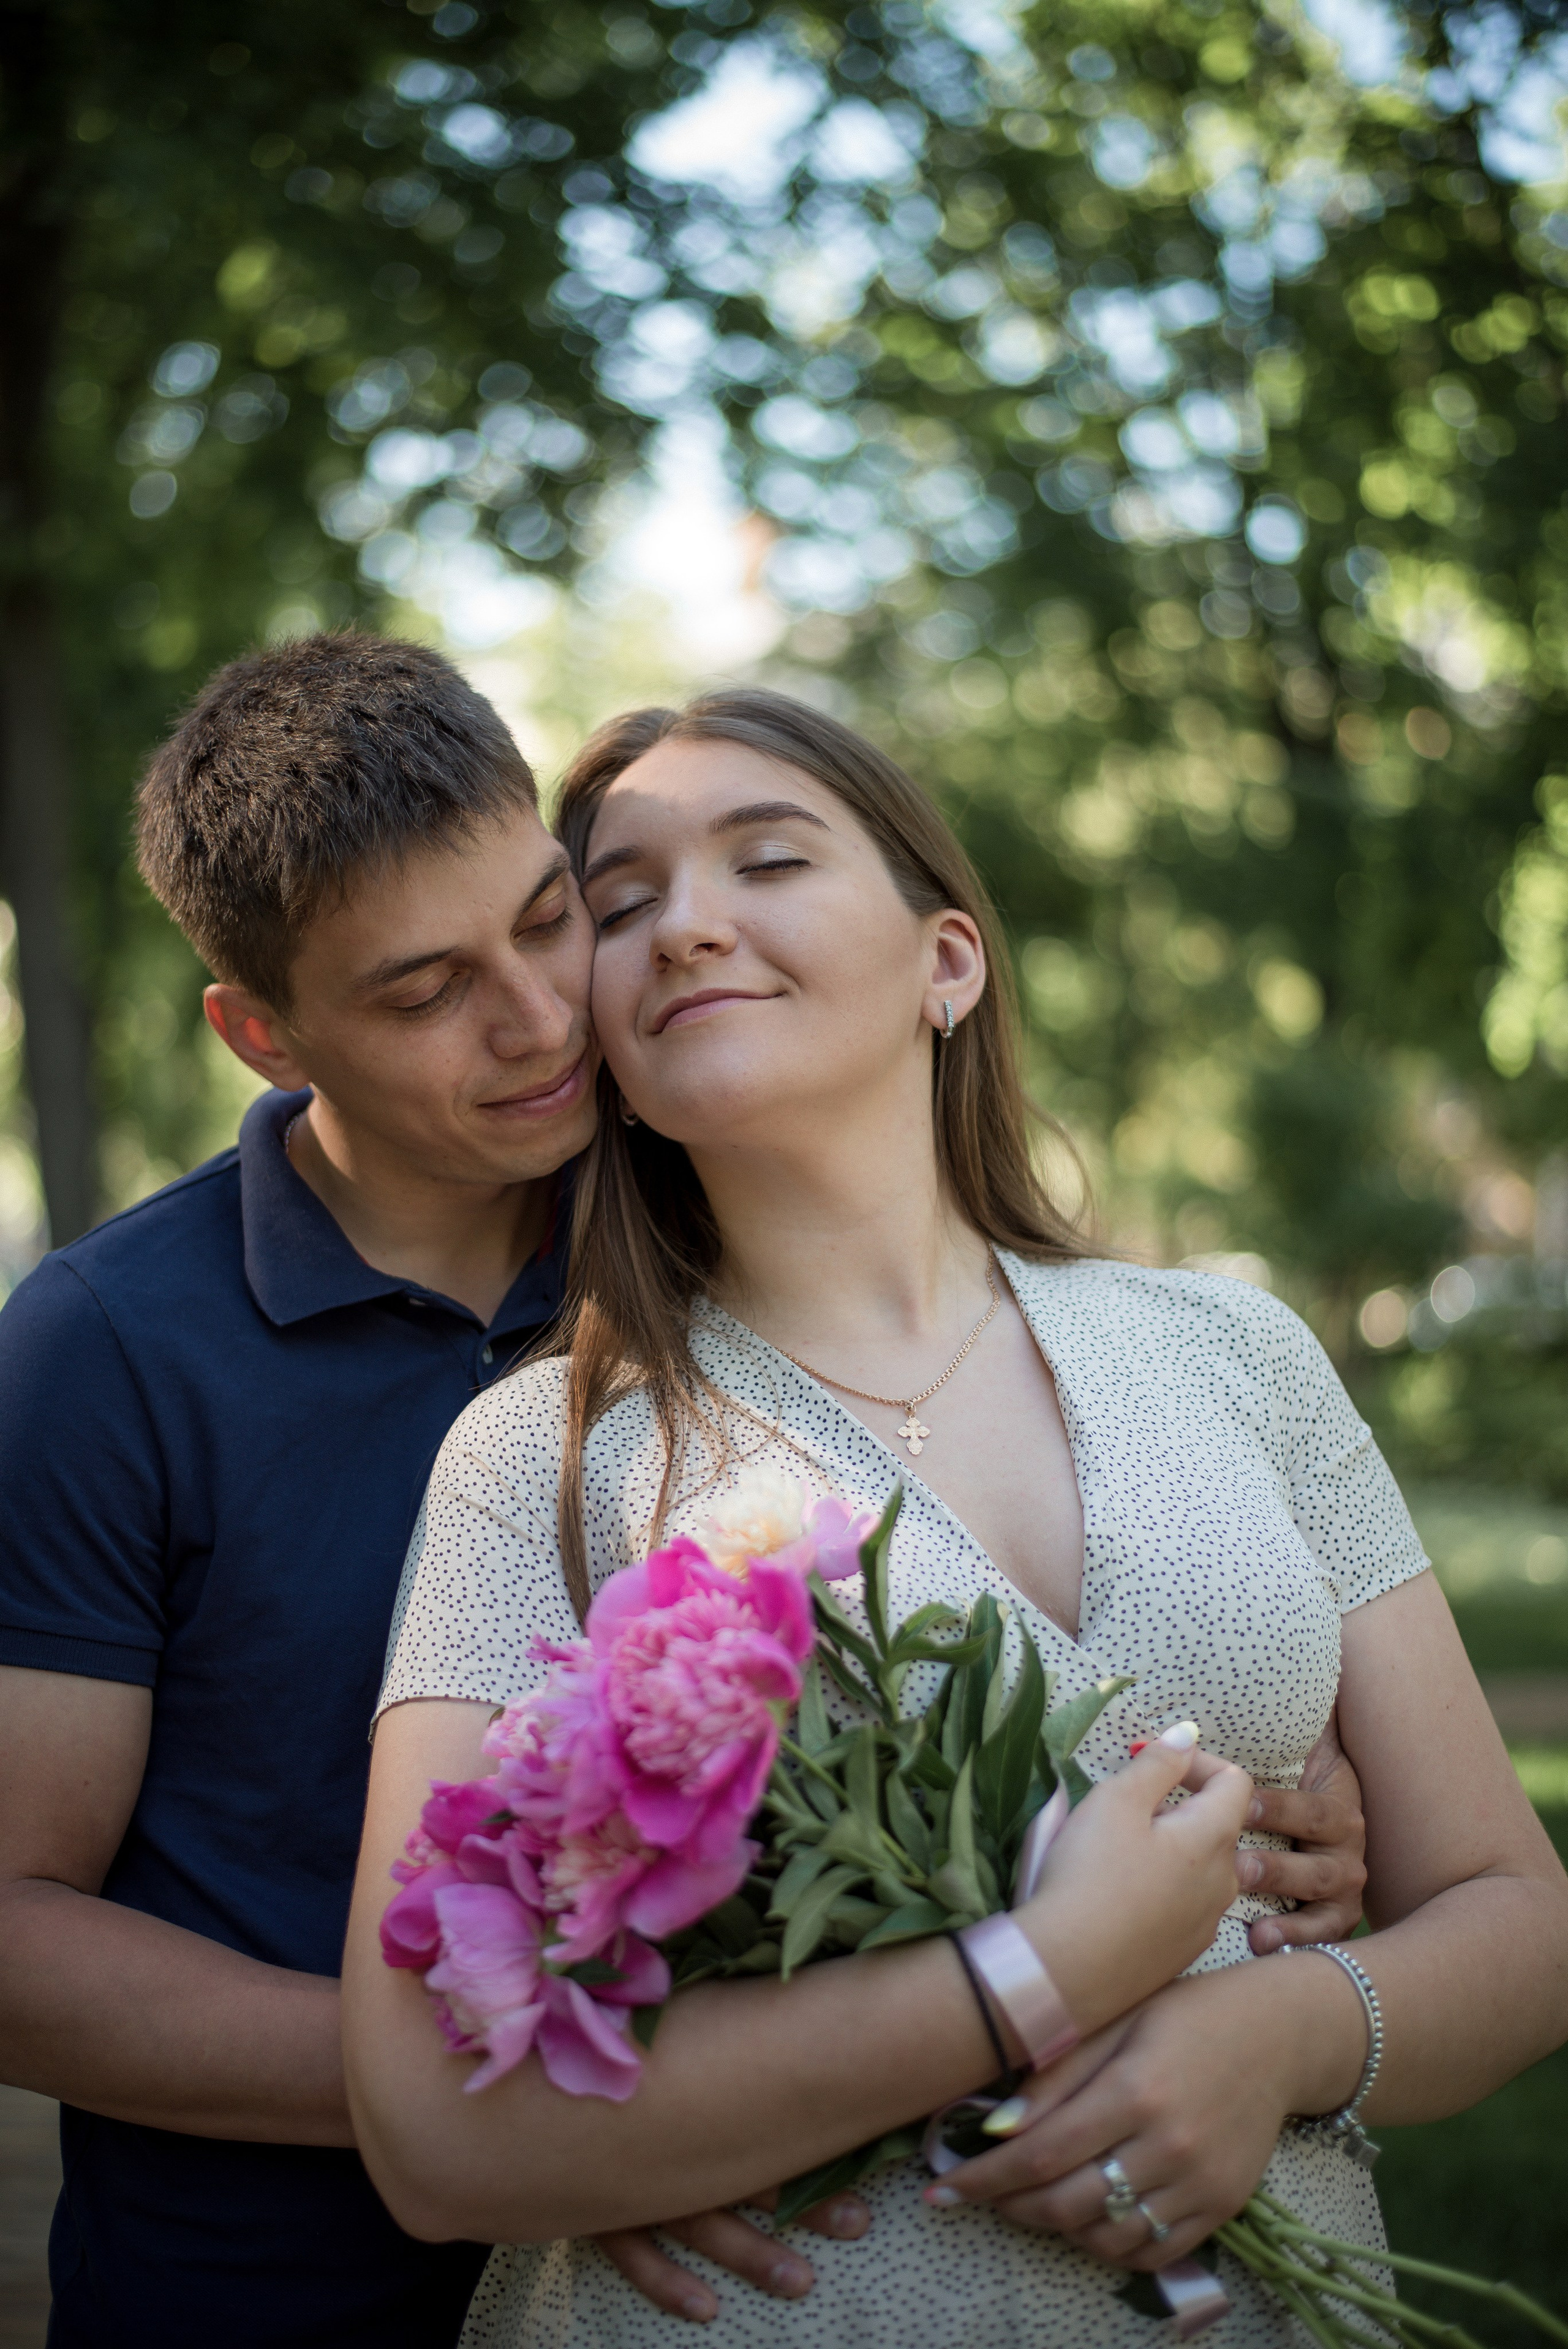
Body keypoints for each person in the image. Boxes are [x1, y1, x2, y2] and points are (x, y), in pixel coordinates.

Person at [342, 687, 1568, 2348]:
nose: (686, 925)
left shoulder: (1235, 1354)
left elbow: (1517, 1911)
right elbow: (431, 2132)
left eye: (765, 860)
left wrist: (1284, 2032)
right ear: (609, 1050)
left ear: (950, 962)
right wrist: (1028, 1978)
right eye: (621, 905)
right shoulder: (542, 1458)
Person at [0, 637, 884, 2345]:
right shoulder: (102, 1349)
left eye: (549, 919)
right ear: (263, 1033)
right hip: (273, 2296)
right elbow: (16, 1933)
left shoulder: (722, 1237)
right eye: (424, 992)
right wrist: (535, 2113)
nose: (541, 1017)